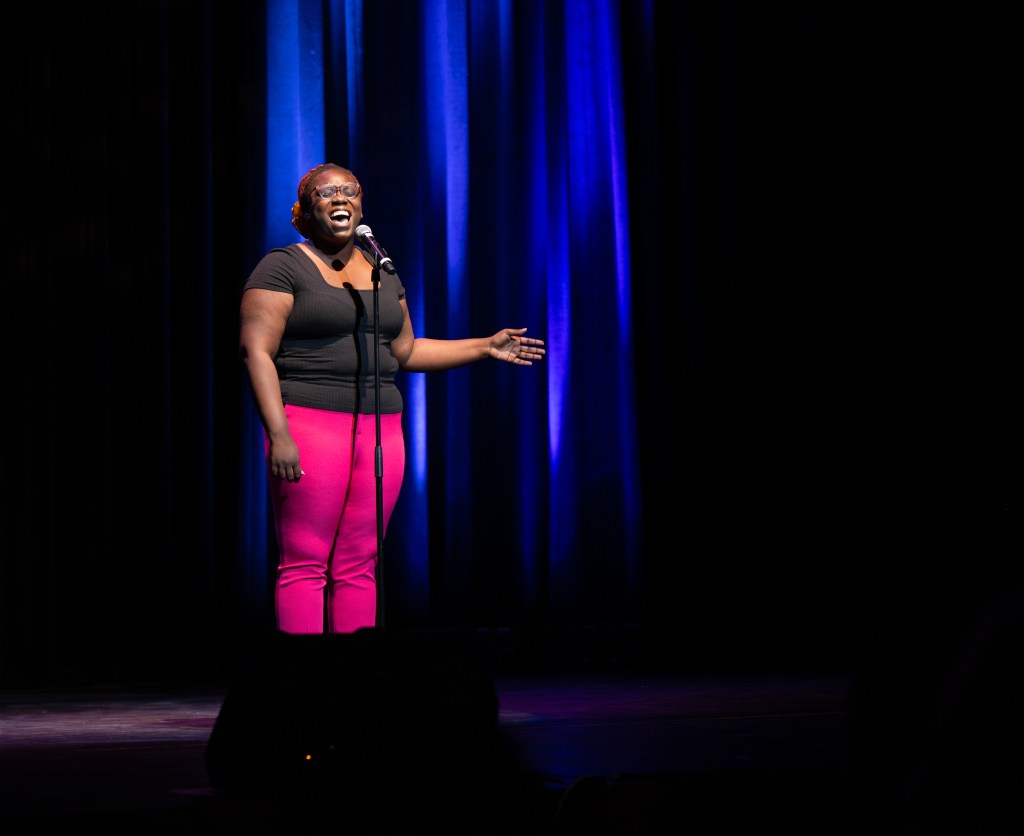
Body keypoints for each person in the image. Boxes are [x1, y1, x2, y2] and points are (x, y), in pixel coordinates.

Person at [239, 162, 545, 634]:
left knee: (359, 560)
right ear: (305, 211)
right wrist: (278, 434)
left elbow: (406, 350)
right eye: (325, 192)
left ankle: (357, 672)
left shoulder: (381, 268)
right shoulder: (282, 266)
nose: (339, 198)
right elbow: (256, 351)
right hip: (310, 424)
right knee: (306, 561)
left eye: (349, 190)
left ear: (361, 206)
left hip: (381, 428)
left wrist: (485, 346)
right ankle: (303, 674)